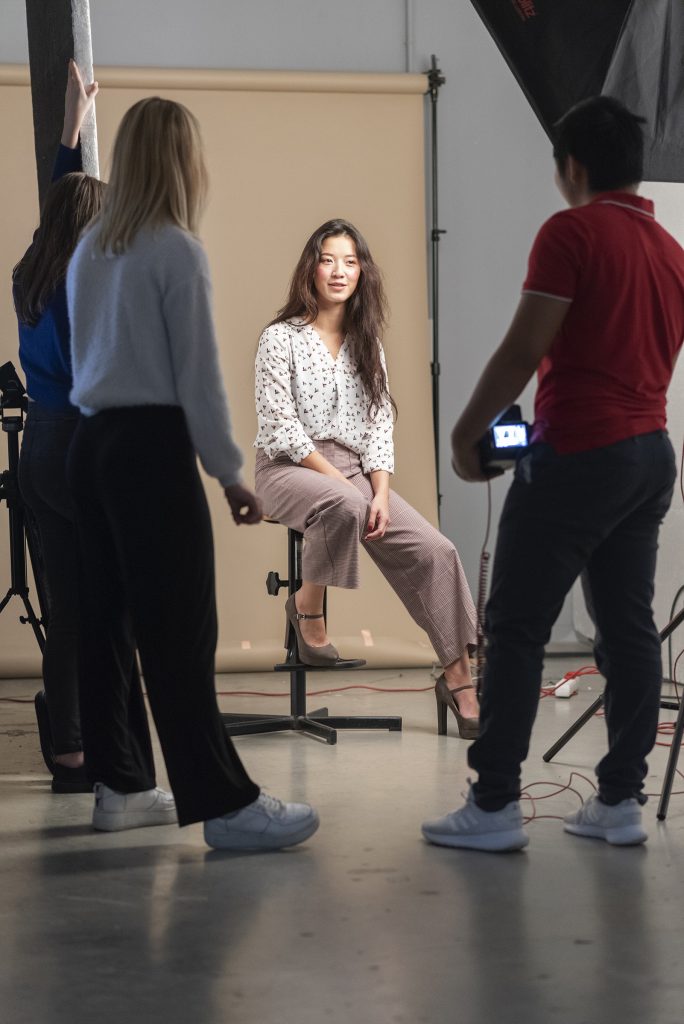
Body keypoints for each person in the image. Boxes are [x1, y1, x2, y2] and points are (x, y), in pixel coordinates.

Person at [421, 96, 684, 852]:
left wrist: (467, 432)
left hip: (577, 453)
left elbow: (520, 349)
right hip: (648, 454)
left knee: (514, 625)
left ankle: (496, 803)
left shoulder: (570, 232)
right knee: (629, 627)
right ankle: (619, 801)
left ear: (572, 167)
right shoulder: (670, 252)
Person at [66, 96, 318, 850]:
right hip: (150, 452)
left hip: (92, 447)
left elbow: (92, 360)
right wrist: (232, 474)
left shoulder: (90, 249)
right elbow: (198, 377)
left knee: (104, 625)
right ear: (183, 160)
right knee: (178, 630)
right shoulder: (177, 249)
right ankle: (223, 806)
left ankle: (122, 786)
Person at [254, 219, 479, 736]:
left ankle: (459, 679)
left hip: (358, 474)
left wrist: (379, 491)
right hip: (288, 467)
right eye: (328, 259)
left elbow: (380, 428)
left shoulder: (366, 344)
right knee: (343, 502)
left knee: (437, 551)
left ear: (362, 273)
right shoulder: (279, 338)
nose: (339, 271)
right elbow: (282, 427)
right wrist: (343, 484)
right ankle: (307, 609)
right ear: (311, 268)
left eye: (350, 262)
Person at [13, 60, 103, 793]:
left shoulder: (32, 271)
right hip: (77, 443)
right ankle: (101, 745)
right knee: (105, 603)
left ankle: (69, 751)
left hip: (36, 445)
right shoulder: (83, 284)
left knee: (62, 606)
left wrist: (72, 128)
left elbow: (62, 209)